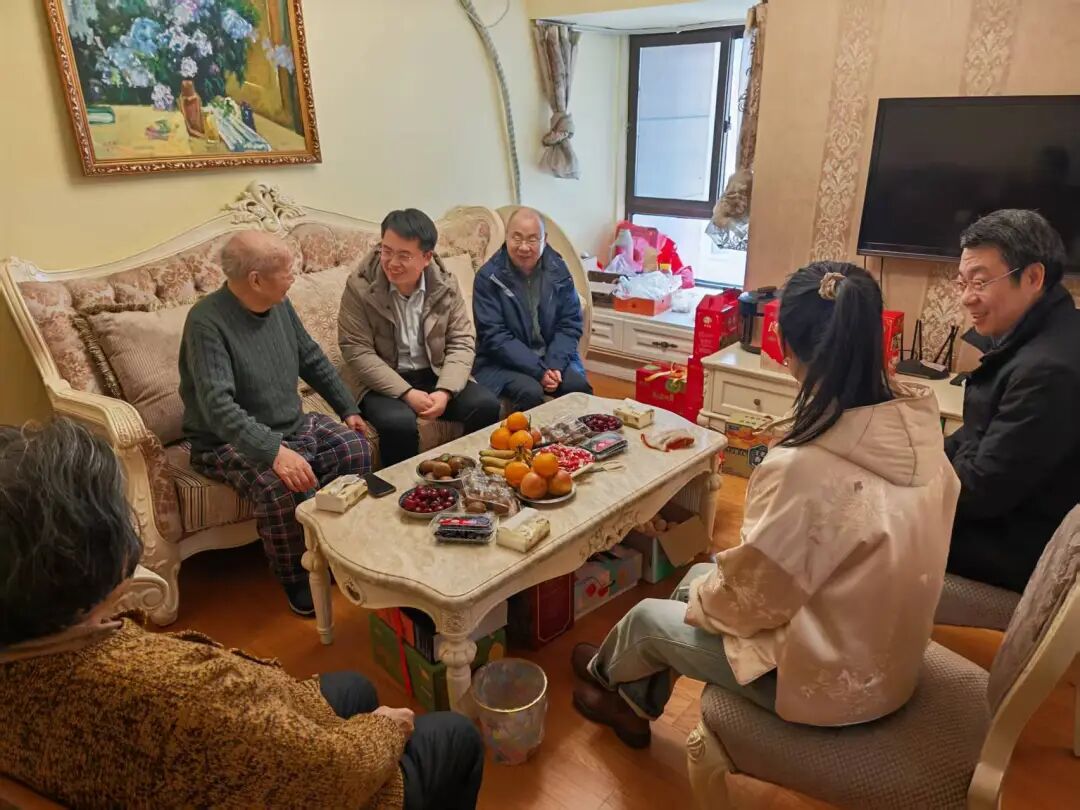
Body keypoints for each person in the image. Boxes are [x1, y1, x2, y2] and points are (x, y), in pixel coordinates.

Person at [0, 419, 484, 810]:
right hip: (310, 782)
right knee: (454, 734)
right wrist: (384, 728)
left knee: (352, 687)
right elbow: (337, 774)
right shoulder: (185, 691)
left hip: (205, 763)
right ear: (83, 555)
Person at [570, 263, 960, 747]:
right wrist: (709, 591)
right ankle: (630, 701)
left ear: (786, 348)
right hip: (891, 657)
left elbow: (756, 599)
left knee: (649, 619)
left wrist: (709, 599)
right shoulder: (920, 434)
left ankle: (608, 677)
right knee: (695, 581)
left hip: (829, 683)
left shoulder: (807, 469)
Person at [179, 230, 371, 616]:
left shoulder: (278, 303)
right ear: (255, 280)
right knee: (280, 486)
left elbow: (310, 357)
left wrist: (347, 407)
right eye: (287, 271)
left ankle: (339, 550)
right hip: (225, 439)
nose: (293, 277)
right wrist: (274, 452)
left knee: (354, 448)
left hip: (292, 423)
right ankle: (297, 575)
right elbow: (219, 408)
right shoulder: (206, 322)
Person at [945, 209, 1080, 592]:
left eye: (980, 282)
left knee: (865, 526)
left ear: (1033, 277)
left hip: (1019, 546)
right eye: (963, 283)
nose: (967, 298)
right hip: (1008, 515)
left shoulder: (1048, 369)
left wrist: (905, 489)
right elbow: (975, 437)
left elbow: (980, 493)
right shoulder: (1047, 333)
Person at [339, 209, 501, 467]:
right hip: (382, 379)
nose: (392, 262)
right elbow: (356, 350)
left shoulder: (445, 285)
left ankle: (469, 476)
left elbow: (461, 341)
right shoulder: (360, 286)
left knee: (486, 405)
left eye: (404, 255)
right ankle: (403, 488)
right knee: (398, 424)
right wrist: (406, 393)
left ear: (427, 257)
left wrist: (445, 391)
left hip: (433, 372)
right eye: (386, 251)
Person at [472, 207, 593, 411]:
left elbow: (570, 323)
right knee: (530, 391)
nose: (524, 247)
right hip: (502, 362)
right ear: (506, 237)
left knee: (577, 387)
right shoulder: (489, 277)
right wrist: (539, 371)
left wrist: (554, 365)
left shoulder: (558, 269)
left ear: (544, 239)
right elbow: (494, 336)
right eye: (517, 238)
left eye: (532, 239)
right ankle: (528, 434)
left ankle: (573, 434)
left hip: (551, 355)